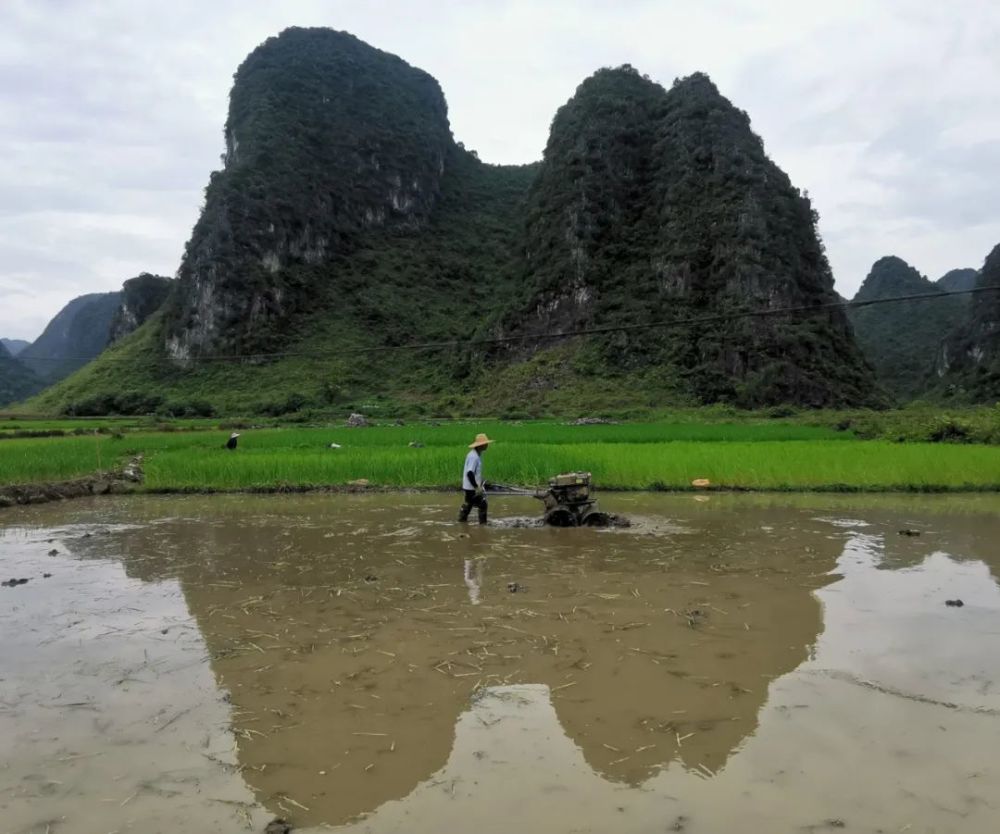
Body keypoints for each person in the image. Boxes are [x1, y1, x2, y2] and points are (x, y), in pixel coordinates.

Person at [458, 433, 492, 524]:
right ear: (481, 445)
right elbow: (469, 473)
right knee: (483, 504)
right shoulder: (474, 457)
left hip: (469, 486)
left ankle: (461, 521)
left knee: (469, 504)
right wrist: (476, 487)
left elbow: (474, 472)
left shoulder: (476, 454)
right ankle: (483, 525)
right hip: (471, 487)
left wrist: (481, 481)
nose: (487, 445)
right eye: (486, 443)